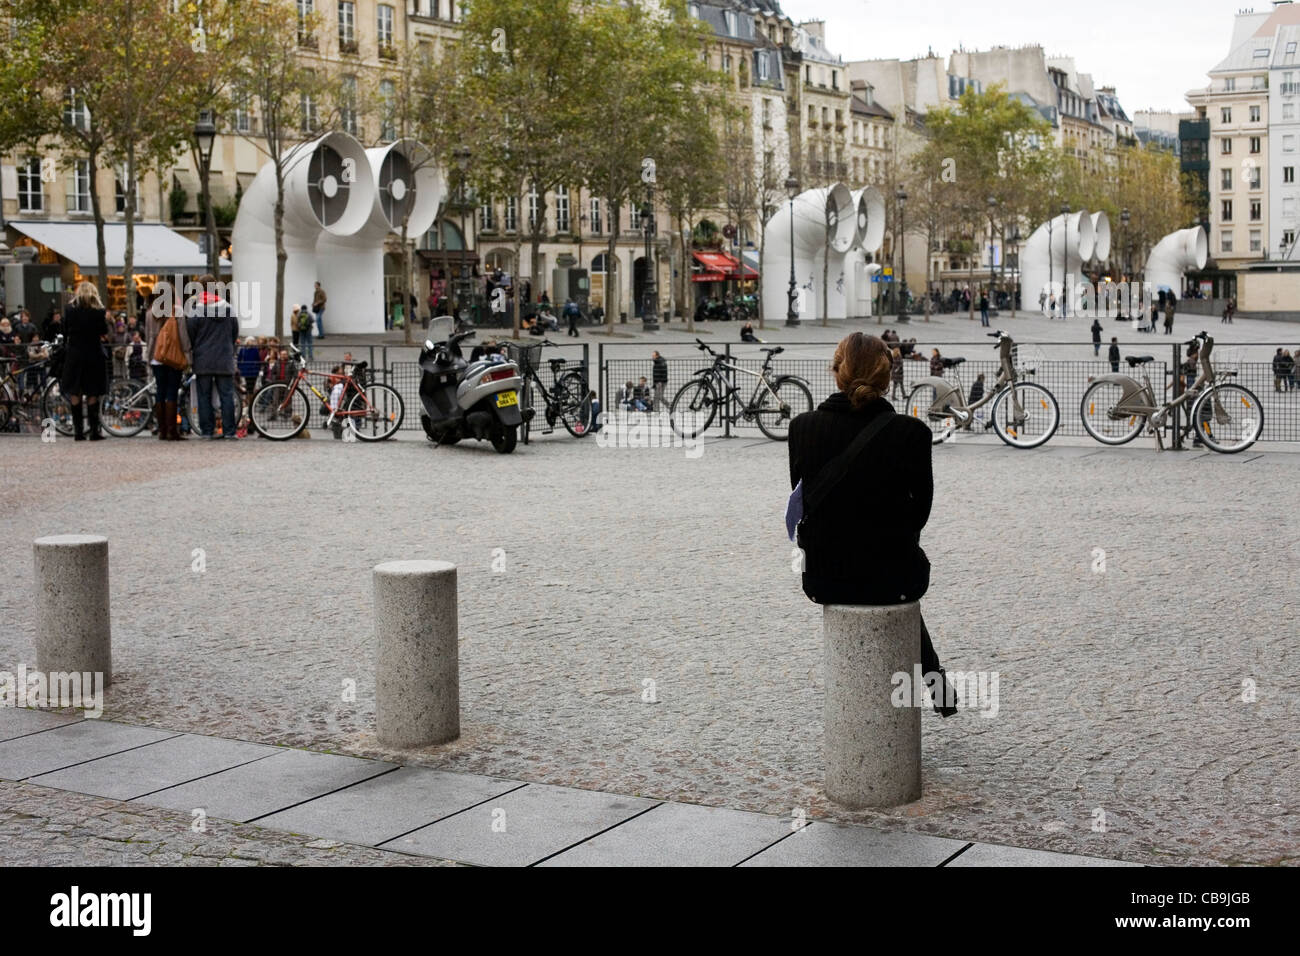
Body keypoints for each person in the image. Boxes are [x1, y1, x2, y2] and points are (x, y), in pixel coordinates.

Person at [788, 332, 957, 717]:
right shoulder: (913, 434)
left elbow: (809, 506)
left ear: (836, 373)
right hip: (897, 576)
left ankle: (938, 687)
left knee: (874, 562)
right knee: (887, 568)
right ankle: (937, 686)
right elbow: (920, 515)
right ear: (885, 379)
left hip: (825, 577)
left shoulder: (802, 429)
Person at [185, 274, 240, 440]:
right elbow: (234, 332)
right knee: (227, 396)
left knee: (204, 396)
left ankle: (207, 431)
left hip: (203, 359)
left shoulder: (196, 310)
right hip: (224, 358)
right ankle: (229, 431)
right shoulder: (228, 308)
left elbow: (191, 334)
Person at [58, 282, 111, 441]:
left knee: (75, 391)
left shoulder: (69, 310)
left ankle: (78, 432)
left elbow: (65, 330)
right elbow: (103, 331)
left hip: (74, 354)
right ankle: (94, 431)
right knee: (92, 391)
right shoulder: (99, 311)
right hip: (93, 354)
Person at [145, 289, 193, 441]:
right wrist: (188, 357)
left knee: (160, 391)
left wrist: (150, 355)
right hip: (173, 357)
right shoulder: (177, 311)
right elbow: (183, 336)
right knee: (172, 392)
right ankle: (173, 431)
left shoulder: (150, 313)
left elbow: (148, 335)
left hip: (156, 357)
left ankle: (162, 431)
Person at [237, 336, 262, 410]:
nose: (252, 342)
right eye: (250, 341)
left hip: (253, 371)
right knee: (247, 386)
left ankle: (251, 401)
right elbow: (239, 359)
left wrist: (257, 369)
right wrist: (240, 367)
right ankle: (248, 401)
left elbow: (258, 360)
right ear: (247, 342)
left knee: (251, 386)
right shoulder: (243, 349)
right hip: (245, 371)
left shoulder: (255, 350)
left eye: (253, 341)